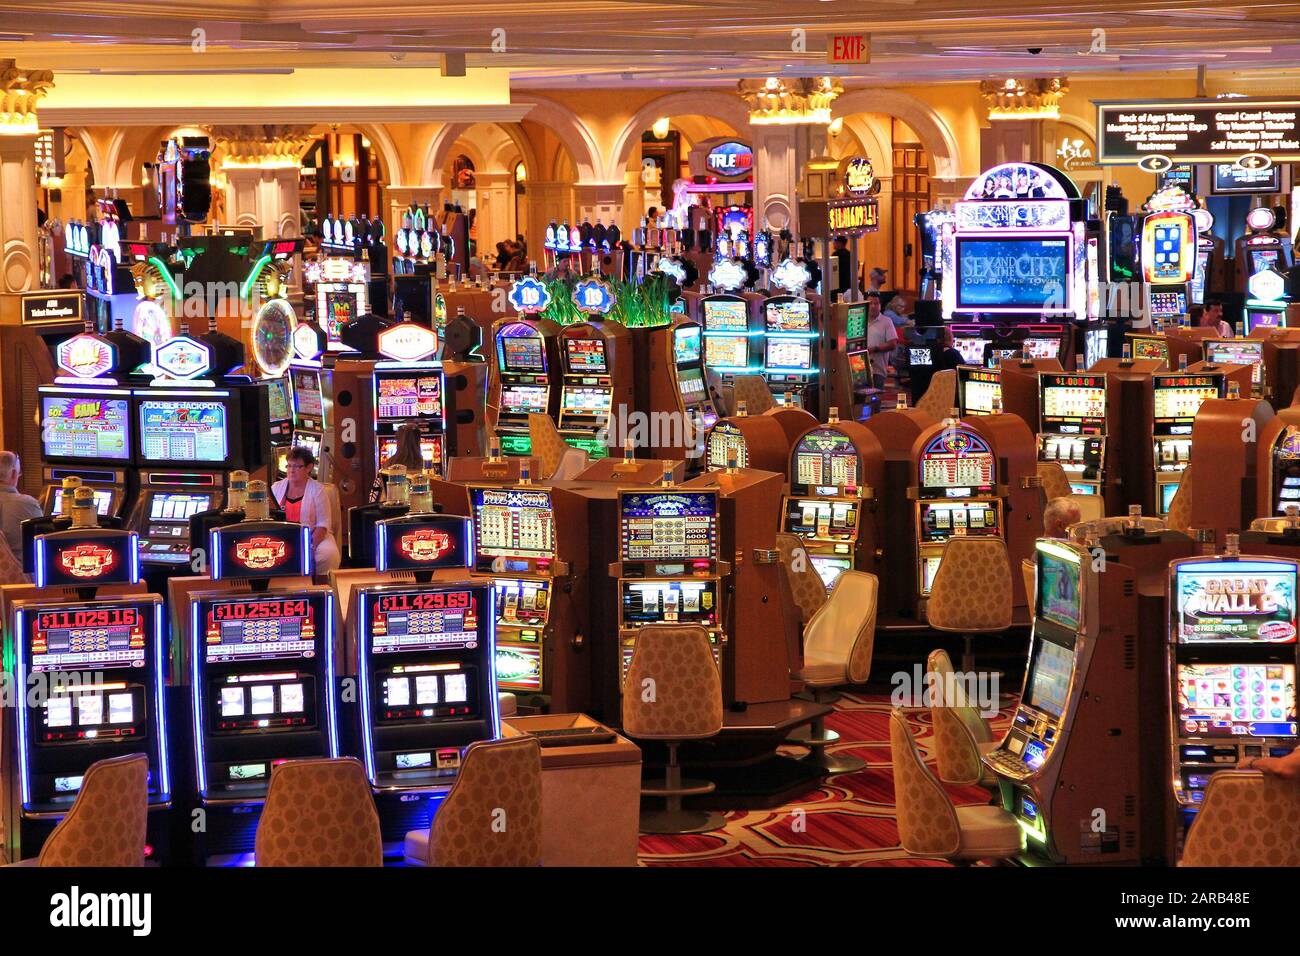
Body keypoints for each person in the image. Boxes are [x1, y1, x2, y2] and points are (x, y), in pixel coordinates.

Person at [272, 447, 340, 576]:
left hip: (313, 535)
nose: (291, 470)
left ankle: (322, 588)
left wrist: (310, 546)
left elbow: (322, 525)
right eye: (289, 466)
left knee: (328, 554)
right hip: (283, 536)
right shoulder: (276, 488)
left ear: (309, 468)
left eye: (297, 467)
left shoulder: (318, 490)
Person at [0, 452, 41, 565]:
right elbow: (44, 549)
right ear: (13, 474)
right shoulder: (27, 504)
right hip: (19, 581)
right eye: (19, 473)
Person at [370, 423, 427, 503]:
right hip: (420, 510)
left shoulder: (387, 466)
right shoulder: (427, 468)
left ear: (398, 441)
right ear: (418, 441)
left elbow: (373, 498)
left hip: (393, 512)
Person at [865, 295, 897, 390]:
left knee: (875, 400)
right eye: (870, 303)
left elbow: (892, 344)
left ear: (880, 305)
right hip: (859, 369)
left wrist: (875, 349)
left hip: (878, 369)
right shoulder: (859, 321)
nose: (873, 306)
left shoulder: (886, 321)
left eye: (876, 303)